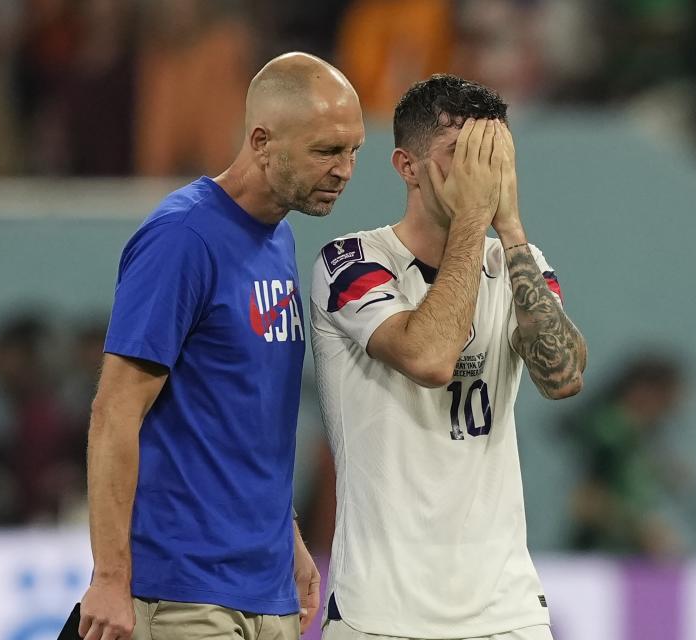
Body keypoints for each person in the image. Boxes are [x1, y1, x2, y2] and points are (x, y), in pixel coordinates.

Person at [78, 52, 364, 640]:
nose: (345, 170)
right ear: (262, 141)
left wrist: (288, 541)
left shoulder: (278, 238)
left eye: (353, 150)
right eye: (326, 151)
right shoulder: (182, 238)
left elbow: (241, 418)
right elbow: (115, 414)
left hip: (267, 592)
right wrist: (110, 576)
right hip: (184, 592)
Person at [310, 74, 587, 640]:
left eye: (494, 158)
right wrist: (470, 221)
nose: (480, 177)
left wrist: (507, 228)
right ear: (407, 167)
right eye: (462, 157)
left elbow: (563, 377)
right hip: (381, 614)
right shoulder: (351, 263)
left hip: (506, 611)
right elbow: (431, 358)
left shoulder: (518, 263)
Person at [563, 354, 687, 559]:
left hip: (633, 559)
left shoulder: (644, 437)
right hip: (600, 560)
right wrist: (641, 531)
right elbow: (585, 501)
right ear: (644, 391)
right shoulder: (610, 432)